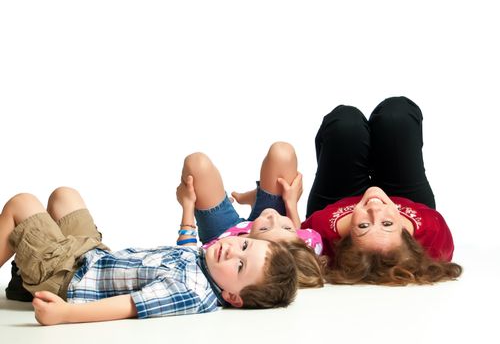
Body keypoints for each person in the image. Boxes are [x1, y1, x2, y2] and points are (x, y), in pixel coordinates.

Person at [0, 187, 298, 325]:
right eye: (244, 246)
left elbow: (130, 306)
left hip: (71, 278)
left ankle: (39, 276)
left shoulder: (192, 291)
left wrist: (66, 315)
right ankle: (24, 283)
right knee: (65, 196)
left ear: (234, 297)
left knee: (21, 204)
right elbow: (182, 251)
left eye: (240, 266)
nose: (233, 251)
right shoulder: (205, 265)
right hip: (91, 256)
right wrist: (187, 207)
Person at [302, 96, 462, 285]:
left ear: (345, 241)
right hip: (405, 198)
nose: (374, 210)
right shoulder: (432, 232)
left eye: (363, 226)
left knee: (345, 124)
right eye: (387, 224)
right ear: (406, 235)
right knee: (396, 116)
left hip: (336, 201)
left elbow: (291, 244)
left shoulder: (321, 231)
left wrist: (289, 201)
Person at [176, 142, 325, 288]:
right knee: (282, 152)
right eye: (287, 228)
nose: (274, 217)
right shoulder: (308, 242)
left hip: (222, 233)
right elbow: (294, 232)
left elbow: (187, 255)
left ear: (251, 241)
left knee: (196, 163)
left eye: (264, 229)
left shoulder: (222, 253)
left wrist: (187, 205)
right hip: (262, 222)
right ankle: (257, 199)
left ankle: (257, 200)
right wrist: (291, 203)